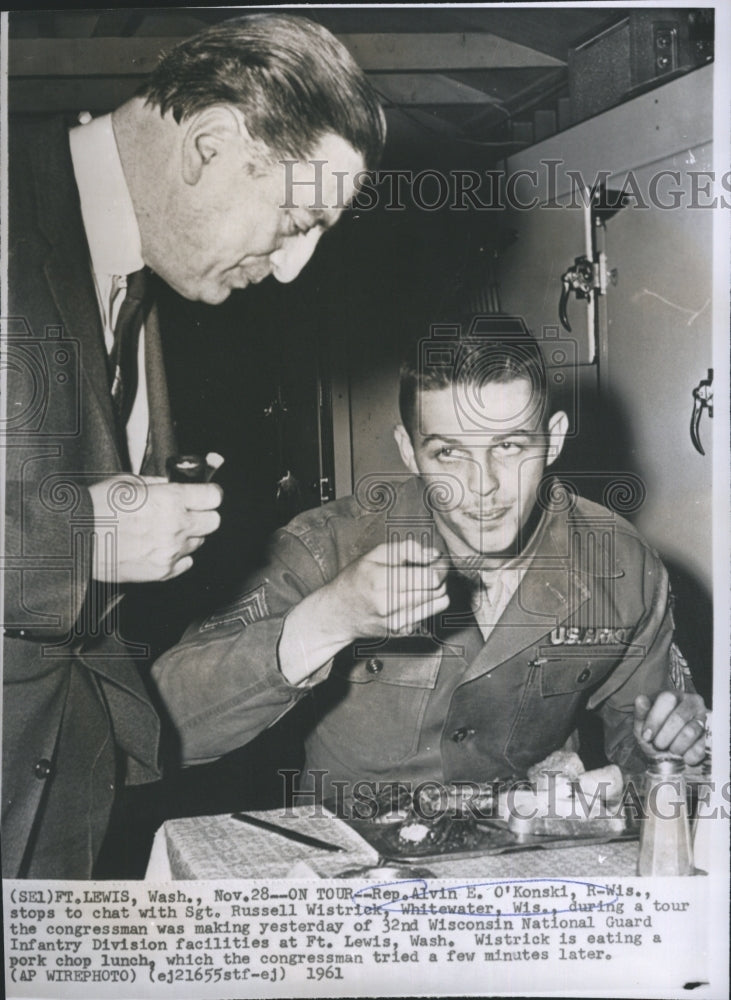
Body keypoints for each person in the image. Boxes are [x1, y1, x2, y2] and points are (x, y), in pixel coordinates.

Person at [2, 13, 385, 877]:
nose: (294, 267)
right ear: (209, 145)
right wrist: (79, 538)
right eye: (296, 218)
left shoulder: (136, 274)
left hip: (62, 786)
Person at [152, 316, 707, 807]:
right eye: (449, 453)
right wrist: (330, 618)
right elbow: (164, 729)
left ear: (554, 440)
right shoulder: (327, 546)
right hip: (352, 868)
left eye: (510, 447)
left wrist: (667, 745)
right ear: (406, 450)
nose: (483, 485)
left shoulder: (621, 564)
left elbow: (646, 753)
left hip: (521, 860)